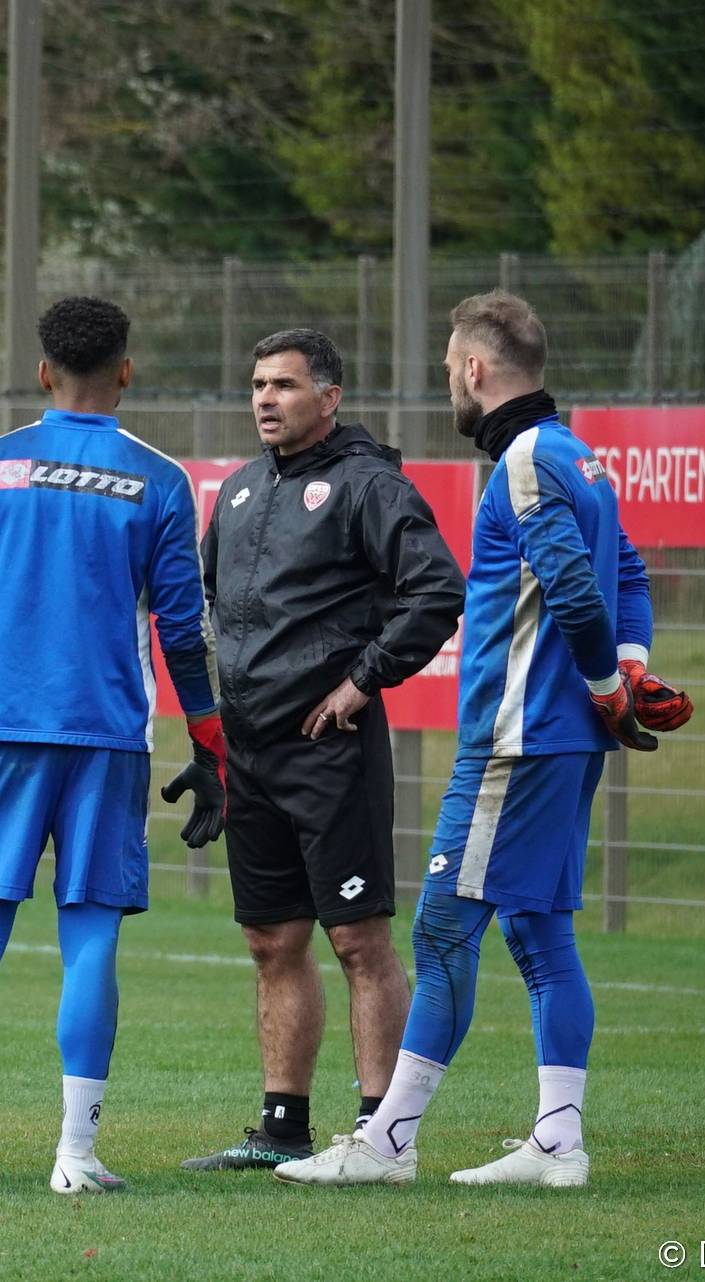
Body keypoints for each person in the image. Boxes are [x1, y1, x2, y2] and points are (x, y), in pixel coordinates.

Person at [275, 291, 692, 1189]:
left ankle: (387, 1144)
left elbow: (582, 588)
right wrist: (623, 670)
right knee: (541, 934)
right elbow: (629, 574)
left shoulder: (530, 461)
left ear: (474, 369)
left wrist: (607, 686)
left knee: (441, 929)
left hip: (519, 740)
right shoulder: (581, 457)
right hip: (563, 739)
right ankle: (558, 1141)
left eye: (448, 370)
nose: (447, 387)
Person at [0, 296, 226, 1196]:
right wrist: (209, 740)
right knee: (91, 940)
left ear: (42, 372)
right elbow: (183, 633)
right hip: (109, 740)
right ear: (125, 371)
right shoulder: (159, 479)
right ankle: (75, 1155)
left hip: (2, 730)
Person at [183, 328, 463, 1173]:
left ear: (329, 398)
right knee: (272, 941)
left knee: (359, 941)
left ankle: (386, 1135)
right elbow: (207, 611)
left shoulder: (368, 485)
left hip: (331, 751)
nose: (266, 399)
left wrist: (362, 681)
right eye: (258, 385)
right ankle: (281, 1128)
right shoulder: (233, 494)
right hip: (250, 755)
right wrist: (211, 728)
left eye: (286, 386)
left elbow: (438, 590)